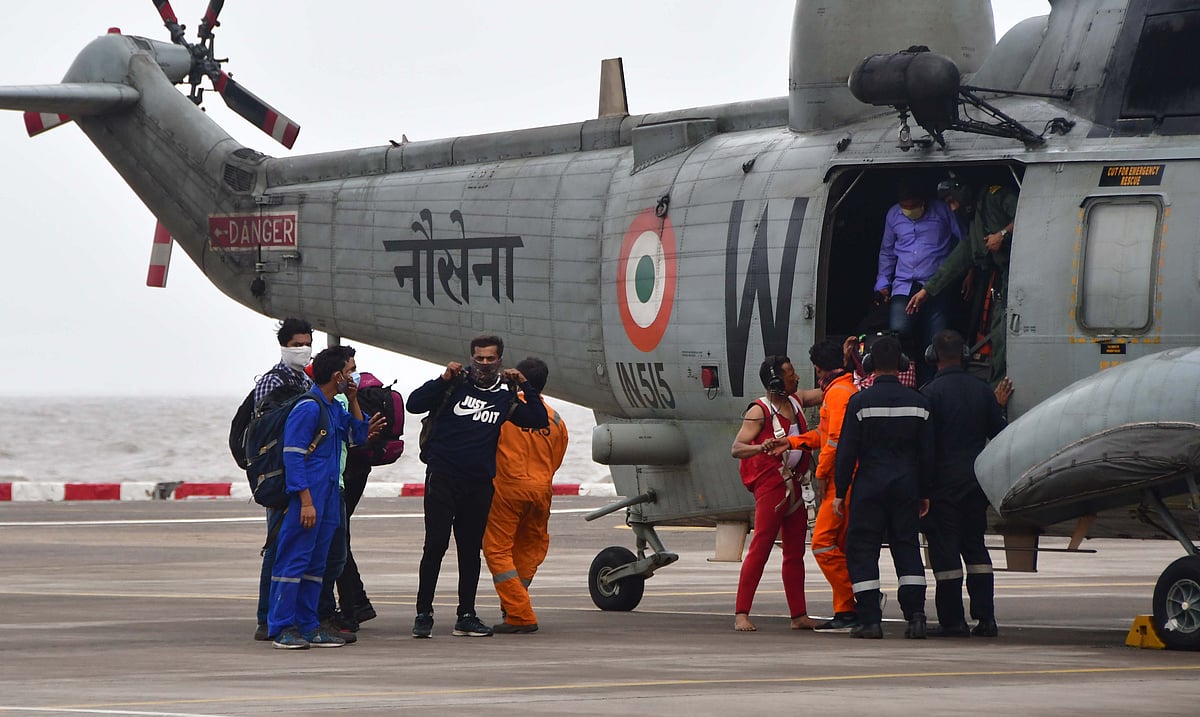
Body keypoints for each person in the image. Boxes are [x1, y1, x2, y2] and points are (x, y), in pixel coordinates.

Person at [407, 335, 549, 639]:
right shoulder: (455, 384)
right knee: (435, 546)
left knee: (470, 551)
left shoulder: (504, 395)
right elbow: (414, 404)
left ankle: (466, 615)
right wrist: (442, 378)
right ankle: (423, 613)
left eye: (490, 358)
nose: (484, 363)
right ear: (472, 358)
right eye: (479, 358)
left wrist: (524, 384)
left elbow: (538, 419)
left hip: (479, 483)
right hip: (443, 478)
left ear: (500, 359)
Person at [268, 346, 384, 649]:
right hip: (309, 498)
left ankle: (309, 624)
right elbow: (293, 457)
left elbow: (358, 435)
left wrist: (356, 399)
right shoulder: (308, 408)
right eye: (350, 370)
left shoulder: (333, 407)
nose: (353, 375)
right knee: (294, 562)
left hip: (331, 495)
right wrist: (305, 501)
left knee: (317, 565)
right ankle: (281, 627)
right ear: (337, 375)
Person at [833, 335, 933, 639]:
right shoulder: (919, 402)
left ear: (869, 366)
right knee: (906, 546)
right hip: (906, 486)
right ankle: (915, 617)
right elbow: (928, 454)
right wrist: (924, 492)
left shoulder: (859, 402)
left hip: (869, 487)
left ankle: (870, 620)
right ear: (902, 364)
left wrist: (840, 491)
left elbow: (846, 451)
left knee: (862, 549)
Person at [920, 330, 1013, 638]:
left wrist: (922, 489)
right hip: (975, 483)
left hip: (941, 486)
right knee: (976, 549)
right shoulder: (982, 391)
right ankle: (986, 619)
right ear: (964, 355)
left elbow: (925, 447)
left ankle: (952, 621)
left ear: (934, 355)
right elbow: (1000, 434)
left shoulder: (929, 394)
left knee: (945, 554)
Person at [772, 339, 859, 632]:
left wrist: (821, 474)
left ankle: (859, 597)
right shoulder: (840, 390)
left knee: (822, 544)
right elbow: (823, 435)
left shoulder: (837, 395)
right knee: (840, 546)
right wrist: (793, 441)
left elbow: (833, 442)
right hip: (845, 478)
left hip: (839, 480)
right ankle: (846, 610)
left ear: (818, 368)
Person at [730, 356, 820, 632]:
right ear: (777, 381)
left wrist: (845, 363)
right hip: (772, 487)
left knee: (795, 552)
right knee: (761, 547)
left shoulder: (797, 401)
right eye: (791, 374)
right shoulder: (759, 411)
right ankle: (741, 613)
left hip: (797, 486)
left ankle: (798, 615)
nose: (797, 378)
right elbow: (736, 448)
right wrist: (761, 448)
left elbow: (828, 392)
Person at [483, 357, 569, 634]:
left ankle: (520, 613)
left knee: (497, 549)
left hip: (507, 489)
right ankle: (514, 605)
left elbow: (484, 445)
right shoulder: (555, 419)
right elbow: (557, 457)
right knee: (529, 549)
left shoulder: (505, 410)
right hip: (541, 491)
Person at [906, 178, 1018, 386]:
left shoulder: (996, 196)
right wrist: (927, 291)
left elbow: (1027, 213)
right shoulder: (976, 221)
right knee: (998, 335)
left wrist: (1002, 234)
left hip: (1017, 275)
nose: (953, 207)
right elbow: (958, 259)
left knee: (1003, 337)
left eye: (951, 200)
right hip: (1003, 281)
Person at [253, 318, 314, 642]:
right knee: (276, 546)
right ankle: (266, 617)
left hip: (302, 476)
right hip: (281, 476)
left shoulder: (307, 381)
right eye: (296, 345)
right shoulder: (272, 383)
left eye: (306, 344)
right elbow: (267, 434)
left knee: (297, 548)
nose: (302, 350)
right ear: (283, 346)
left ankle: (295, 615)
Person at [874, 178, 962, 384]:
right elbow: (887, 252)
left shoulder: (943, 211)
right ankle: (905, 383)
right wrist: (882, 283)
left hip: (937, 285)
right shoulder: (893, 215)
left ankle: (931, 385)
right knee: (898, 334)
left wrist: (967, 272)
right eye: (905, 207)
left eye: (914, 206)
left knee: (936, 339)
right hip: (904, 285)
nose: (909, 210)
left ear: (924, 201)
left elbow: (963, 241)